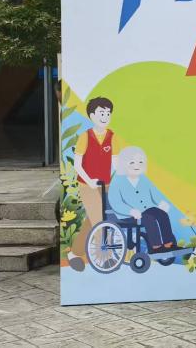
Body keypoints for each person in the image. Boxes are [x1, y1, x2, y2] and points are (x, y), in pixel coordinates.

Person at [69, 97, 126, 272]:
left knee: (92, 220)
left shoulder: (112, 137)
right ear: (92, 115)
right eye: (101, 113)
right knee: (100, 219)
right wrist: (89, 180)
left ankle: (74, 254)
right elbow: (77, 164)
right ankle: (105, 258)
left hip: (106, 184)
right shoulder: (85, 137)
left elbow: (116, 162)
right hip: (87, 185)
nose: (105, 116)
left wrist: (124, 178)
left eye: (108, 113)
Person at [107, 147, 178, 253]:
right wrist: (130, 211)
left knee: (162, 214)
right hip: (127, 214)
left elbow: (155, 193)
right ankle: (156, 247)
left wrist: (162, 203)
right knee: (149, 219)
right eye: (132, 162)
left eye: (140, 162)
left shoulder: (143, 178)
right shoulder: (118, 180)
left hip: (145, 209)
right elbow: (116, 202)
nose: (137, 166)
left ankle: (169, 244)